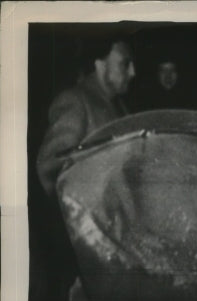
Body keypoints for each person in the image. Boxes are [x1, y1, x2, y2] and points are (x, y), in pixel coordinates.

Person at [37, 38, 135, 196]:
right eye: (125, 63)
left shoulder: (121, 107)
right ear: (100, 64)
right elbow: (49, 168)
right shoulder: (76, 101)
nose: (132, 72)